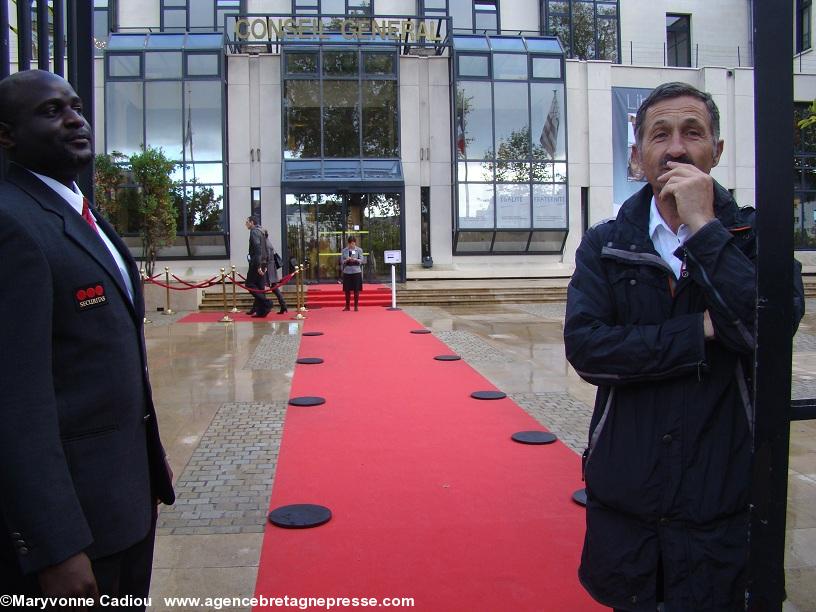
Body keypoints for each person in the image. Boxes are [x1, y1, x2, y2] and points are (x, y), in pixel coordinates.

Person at [564, 82, 804, 611]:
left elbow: (767, 331)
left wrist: (702, 226)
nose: (675, 148)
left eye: (692, 133)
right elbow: (588, 349)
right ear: (637, 155)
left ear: (716, 151)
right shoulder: (606, 244)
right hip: (629, 499)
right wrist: (699, 331)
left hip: (721, 500)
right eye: (660, 135)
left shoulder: (759, 237)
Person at [0, 70, 174, 603]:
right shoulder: (12, 223)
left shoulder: (77, 209)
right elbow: (16, 402)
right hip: (77, 531)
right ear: (6, 135)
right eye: (51, 111)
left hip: (125, 503)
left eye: (75, 106)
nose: (75, 119)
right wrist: (55, 546)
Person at [244, 215, 272, 318]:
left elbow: (257, 248)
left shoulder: (254, 232)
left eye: (247, 222)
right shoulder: (262, 231)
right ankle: (262, 311)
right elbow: (267, 248)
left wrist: (258, 265)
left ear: (252, 222)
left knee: (249, 284)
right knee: (260, 287)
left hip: (256, 262)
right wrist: (265, 264)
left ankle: (266, 303)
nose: (245, 224)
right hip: (263, 262)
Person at [262, 228, 288, 314]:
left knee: (261, 287)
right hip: (271, 267)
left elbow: (267, 257)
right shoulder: (268, 242)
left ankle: (262, 308)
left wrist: (263, 266)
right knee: (274, 288)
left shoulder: (265, 243)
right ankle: (283, 305)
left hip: (268, 268)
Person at [340, 235, 365, 311]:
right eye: (350, 244)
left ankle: (356, 306)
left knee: (356, 289)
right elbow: (342, 261)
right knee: (347, 290)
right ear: (348, 243)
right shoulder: (344, 250)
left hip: (356, 271)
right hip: (347, 272)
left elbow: (361, 260)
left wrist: (356, 260)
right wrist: (347, 260)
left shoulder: (359, 250)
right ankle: (347, 306)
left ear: (355, 243)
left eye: (353, 244)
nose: (352, 245)